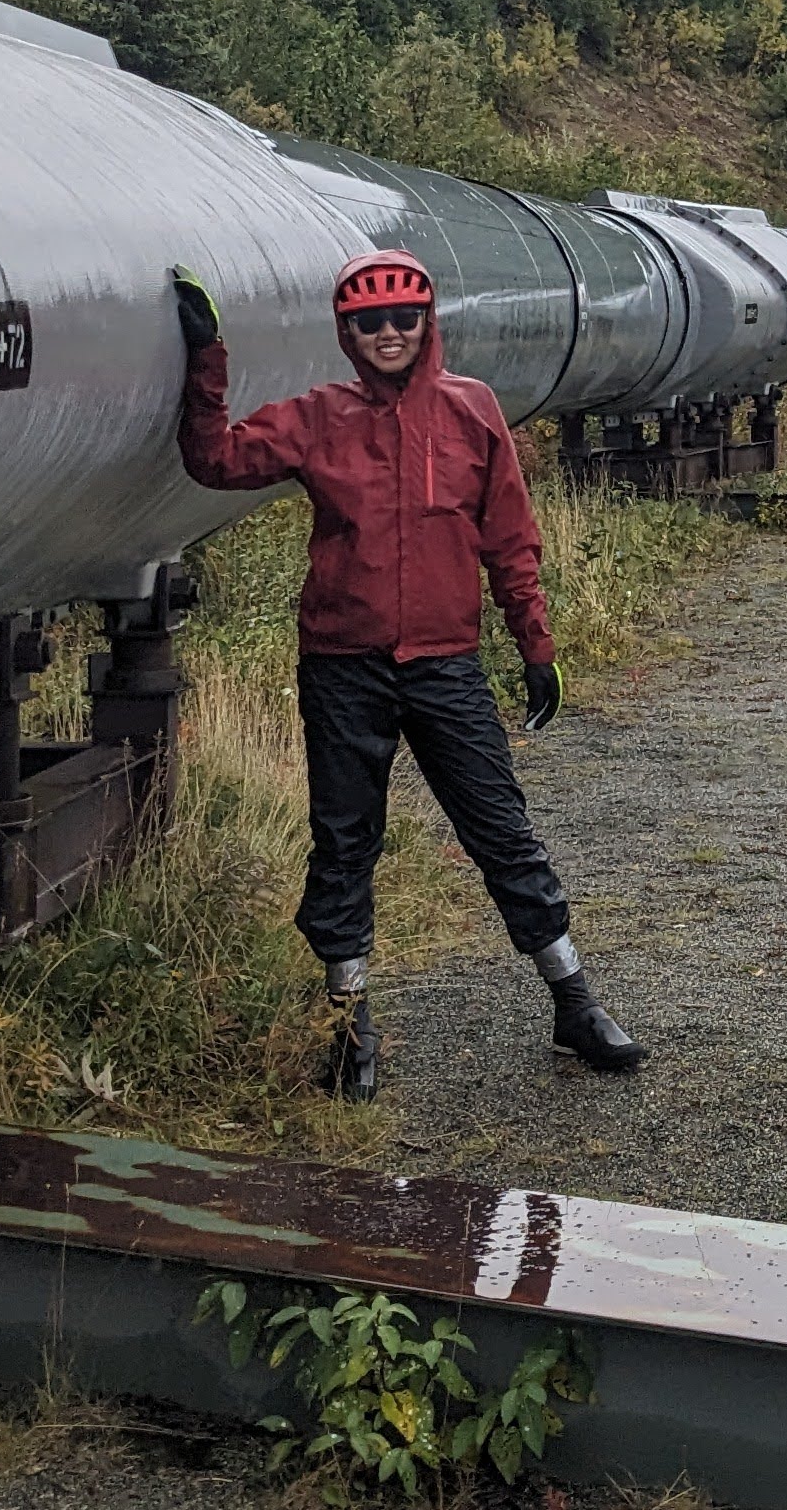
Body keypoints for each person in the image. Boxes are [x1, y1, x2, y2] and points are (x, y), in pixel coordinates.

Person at [171, 251, 645, 1088]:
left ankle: (575, 1003)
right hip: (342, 668)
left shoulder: (471, 411)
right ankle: (349, 1031)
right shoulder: (319, 416)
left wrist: (534, 645)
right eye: (368, 321)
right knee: (345, 844)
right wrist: (206, 359)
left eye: (403, 317)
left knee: (502, 836)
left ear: (428, 322)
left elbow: (510, 537)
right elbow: (216, 461)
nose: (388, 333)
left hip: (445, 668)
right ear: (346, 331)